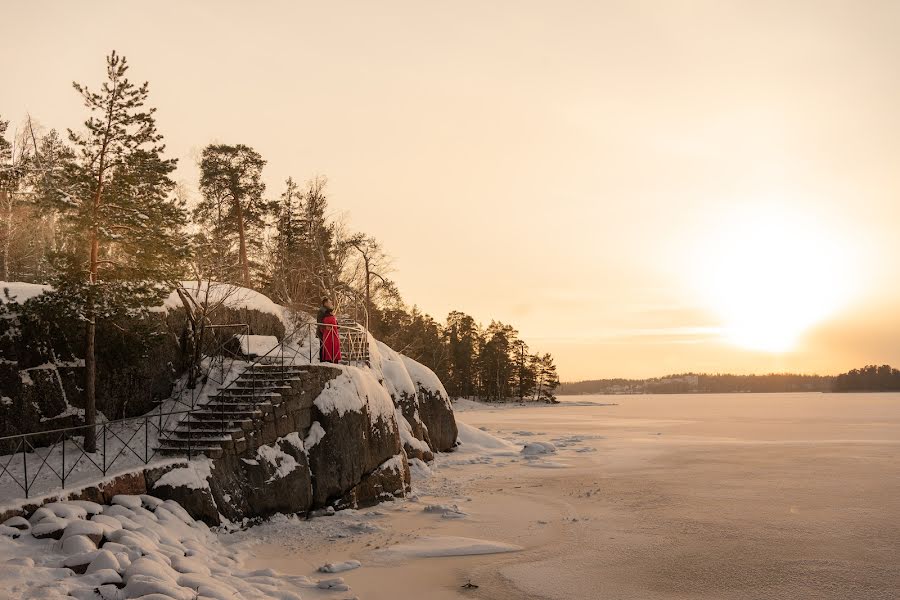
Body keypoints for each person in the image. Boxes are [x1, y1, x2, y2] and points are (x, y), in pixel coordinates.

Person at [316, 297, 342, 364]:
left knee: (327, 346)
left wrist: (337, 325)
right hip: (323, 332)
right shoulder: (321, 311)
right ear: (325, 303)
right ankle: (323, 362)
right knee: (323, 347)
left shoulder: (329, 310)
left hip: (329, 332)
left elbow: (334, 321)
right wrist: (325, 327)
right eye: (329, 302)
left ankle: (327, 360)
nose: (331, 303)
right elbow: (319, 321)